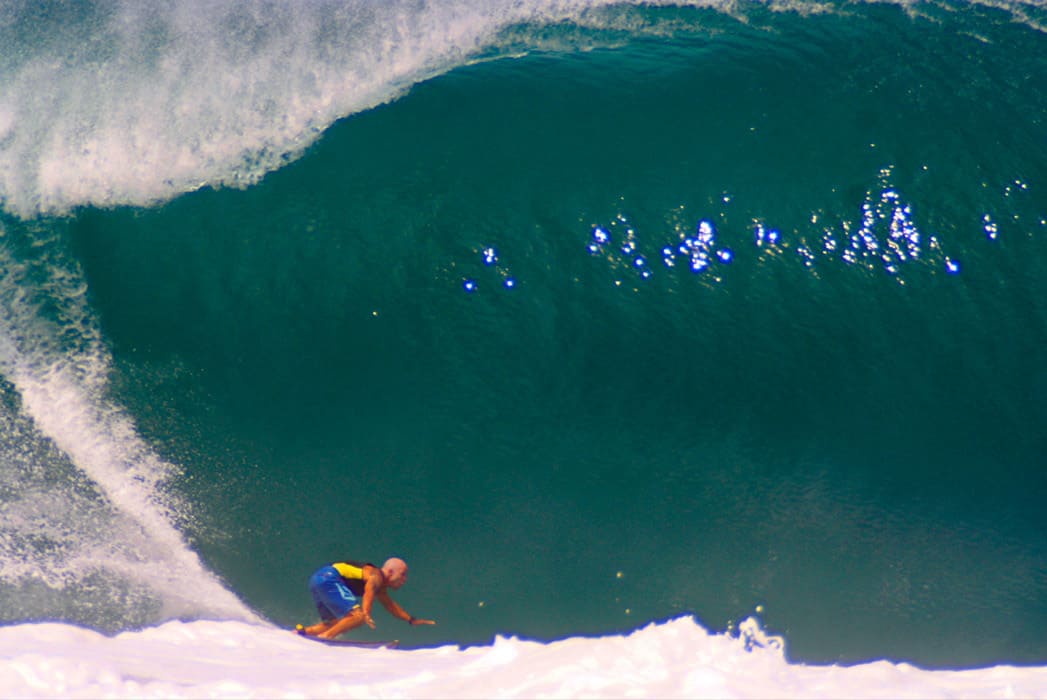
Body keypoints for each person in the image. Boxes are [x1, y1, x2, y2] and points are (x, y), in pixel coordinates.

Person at [297, 557, 435, 639]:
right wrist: (365, 613)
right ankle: (326, 637)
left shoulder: (380, 587)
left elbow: (390, 605)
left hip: (317, 579)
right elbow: (369, 589)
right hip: (330, 577)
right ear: (390, 572)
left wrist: (411, 619)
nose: (404, 579)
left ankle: (303, 633)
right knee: (357, 617)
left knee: (334, 623)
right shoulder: (376, 575)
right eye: (403, 574)